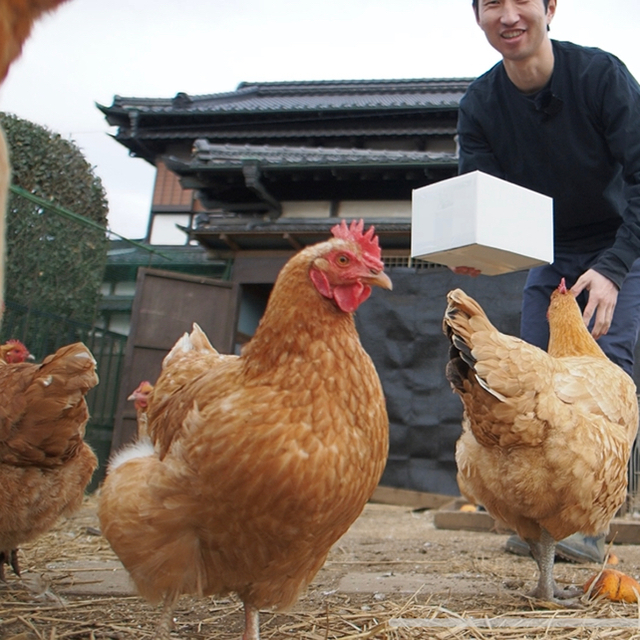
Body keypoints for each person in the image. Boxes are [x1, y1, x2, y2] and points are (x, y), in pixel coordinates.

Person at [455, 0, 640, 563]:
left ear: (550, 8)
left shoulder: (600, 77)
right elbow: (482, 201)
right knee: (531, 384)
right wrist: (473, 246)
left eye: (522, 1)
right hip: (549, 251)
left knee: (605, 376)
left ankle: (591, 523)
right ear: (478, 17)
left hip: (618, 243)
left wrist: (612, 268)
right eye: (492, 4)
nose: (508, 15)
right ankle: (543, 523)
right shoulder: (481, 104)